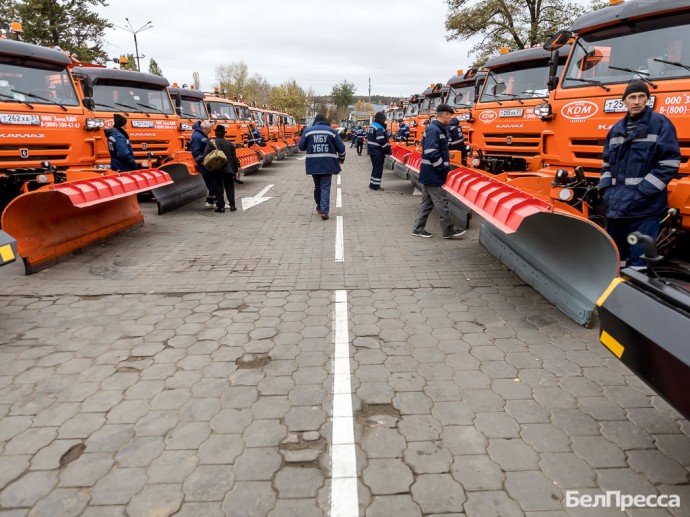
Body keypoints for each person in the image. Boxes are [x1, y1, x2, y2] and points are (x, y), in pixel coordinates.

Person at [598, 79, 680, 268]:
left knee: (640, 264)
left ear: (647, 100)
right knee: (617, 260)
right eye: (632, 97)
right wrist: (606, 192)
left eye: (642, 97)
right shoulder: (616, 129)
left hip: (645, 209)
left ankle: (637, 293)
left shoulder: (661, 124)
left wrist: (641, 192)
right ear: (624, 101)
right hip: (617, 208)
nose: (637, 101)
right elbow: (606, 163)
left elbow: (669, 163)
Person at [412, 103, 467, 239]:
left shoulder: (439, 129)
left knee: (427, 203)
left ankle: (418, 229)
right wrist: (442, 168)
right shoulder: (434, 130)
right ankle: (448, 230)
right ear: (445, 114)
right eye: (450, 115)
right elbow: (431, 152)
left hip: (430, 172)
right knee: (441, 202)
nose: (451, 119)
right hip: (433, 173)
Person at [298, 113, 345, 220]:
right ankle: (324, 211)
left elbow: (301, 147)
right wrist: (342, 158)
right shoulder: (332, 131)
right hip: (328, 164)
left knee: (318, 186)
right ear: (325, 121)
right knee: (325, 187)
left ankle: (320, 206)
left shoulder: (308, 131)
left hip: (313, 164)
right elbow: (341, 148)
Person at [204, 124, 240, 213]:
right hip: (229, 169)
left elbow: (206, 156)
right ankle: (232, 205)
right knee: (230, 187)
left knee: (218, 187)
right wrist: (235, 170)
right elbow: (234, 159)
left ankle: (221, 207)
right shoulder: (230, 144)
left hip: (217, 169)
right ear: (224, 134)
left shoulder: (211, 143)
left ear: (216, 133)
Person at [190, 120, 218, 208]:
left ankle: (211, 201)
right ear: (204, 128)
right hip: (204, 163)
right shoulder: (197, 137)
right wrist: (203, 162)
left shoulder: (201, 135)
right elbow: (196, 152)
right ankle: (212, 201)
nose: (210, 131)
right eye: (209, 129)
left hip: (207, 161)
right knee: (212, 182)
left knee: (212, 182)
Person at [366, 111, 391, 190]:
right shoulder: (379, 127)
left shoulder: (372, 125)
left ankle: (372, 183)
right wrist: (386, 148)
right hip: (378, 151)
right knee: (378, 169)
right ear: (381, 119)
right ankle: (376, 185)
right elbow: (380, 140)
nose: (384, 121)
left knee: (375, 168)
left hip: (372, 150)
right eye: (383, 119)